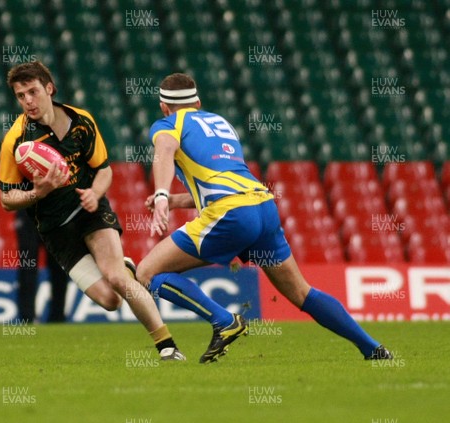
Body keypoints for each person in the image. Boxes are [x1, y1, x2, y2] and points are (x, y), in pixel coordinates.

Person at [136, 73, 393, 363]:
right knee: (301, 292)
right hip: (262, 206)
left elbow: (164, 152)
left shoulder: (167, 125)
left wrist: (160, 193)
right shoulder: (221, 124)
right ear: (198, 102)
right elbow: (226, 179)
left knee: (148, 273)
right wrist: (175, 201)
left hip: (231, 214)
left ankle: (224, 320)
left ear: (163, 107)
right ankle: (373, 348)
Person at [0, 61, 184, 360]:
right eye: (21, 96)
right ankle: (124, 266)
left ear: (49, 88)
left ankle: (167, 347)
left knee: (117, 278)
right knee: (110, 300)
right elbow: (6, 199)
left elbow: (104, 170)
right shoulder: (17, 141)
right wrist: (39, 192)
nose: (28, 101)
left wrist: (95, 194)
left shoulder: (81, 121)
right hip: (55, 230)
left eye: (32, 91)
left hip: (90, 212)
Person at [15, 208, 68, 323]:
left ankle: (58, 316)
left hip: (56, 211)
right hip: (28, 209)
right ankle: (27, 318)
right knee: (27, 266)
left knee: (59, 267)